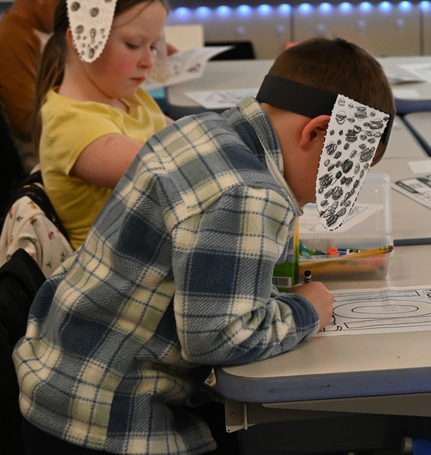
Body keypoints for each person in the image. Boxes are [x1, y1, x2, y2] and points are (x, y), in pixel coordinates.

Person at [15, 37, 396, 455]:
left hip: (61, 378)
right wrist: (306, 310)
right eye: (348, 173)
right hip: (107, 418)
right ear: (316, 131)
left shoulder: (200, 130)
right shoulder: (250, 193)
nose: (336, 194)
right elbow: (220, 339)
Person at [34, 0, 171, 249]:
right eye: (133, 44)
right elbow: (170, 176)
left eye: (153, 46)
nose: (148, 61)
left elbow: (183, 134)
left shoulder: (128, 97)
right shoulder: (74, 124)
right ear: (80, 38)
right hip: (117, 270)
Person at [0, 0, 104, 169]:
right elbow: (28, 124)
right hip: (46, 164)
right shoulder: (11, 39)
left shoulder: (44, 33)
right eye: (76, 4)